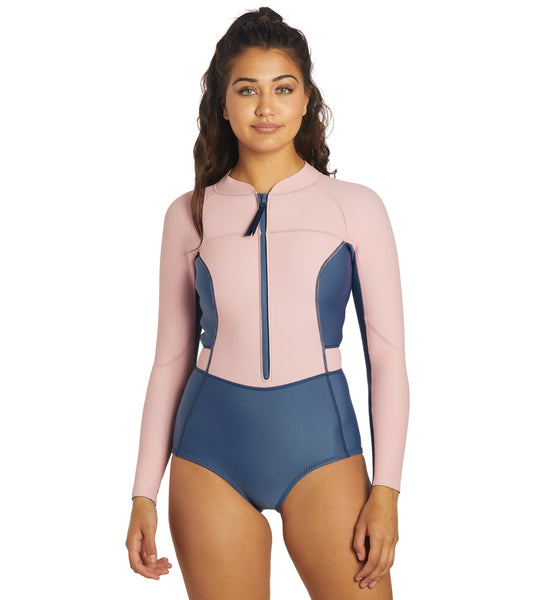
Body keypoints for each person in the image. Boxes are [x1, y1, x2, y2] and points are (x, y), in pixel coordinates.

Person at [125, 6, 409, 599]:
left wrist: (386, 490)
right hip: (209, 456)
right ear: (223, 104)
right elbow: (170, 360)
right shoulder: (189, 213)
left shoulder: (354, 207)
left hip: (322, 452)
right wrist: (142, 492)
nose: (265, 107)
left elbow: (385, 358)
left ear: (306, 101)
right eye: (247, 89)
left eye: (283, 88)